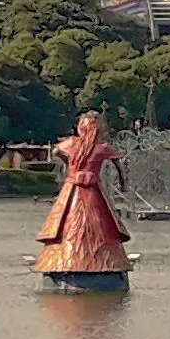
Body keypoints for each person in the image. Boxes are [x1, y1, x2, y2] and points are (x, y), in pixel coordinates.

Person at [34, 110, 133, 289]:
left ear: (81, 128)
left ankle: (67, 263)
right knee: (98, 225)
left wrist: (69, 162)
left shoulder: (72, 143)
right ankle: (99, 262)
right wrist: (124, 185)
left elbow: (56, 151)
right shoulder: (102, 148)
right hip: (92, 192)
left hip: (72, 190)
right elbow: (119, 166)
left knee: (68, 225)